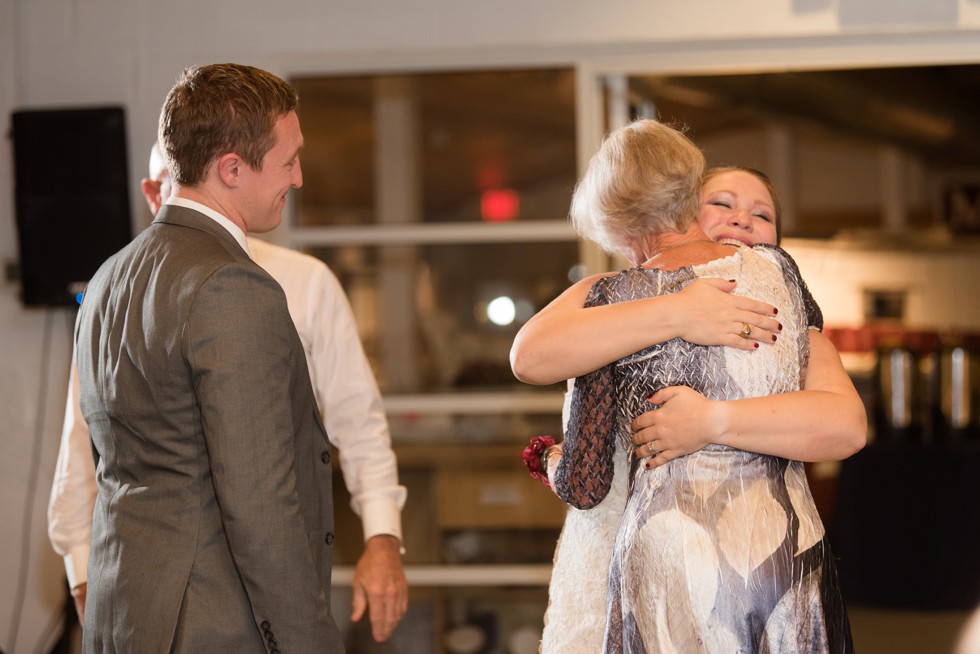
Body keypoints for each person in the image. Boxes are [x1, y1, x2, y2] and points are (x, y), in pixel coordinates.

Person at [48, 142, 408, 643]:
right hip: (203, 603)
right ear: (153, 191)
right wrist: (80, 566)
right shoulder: (127, 283)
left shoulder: (305, 281)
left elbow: (356, 416)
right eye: (162, 188)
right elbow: (85, 440)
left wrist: (382, 533)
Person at [523, 120, 855, 652]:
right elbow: (532, 354)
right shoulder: (613, 298)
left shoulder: (786, 304)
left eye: (762, 213)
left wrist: (710, 422)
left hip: (675, 553)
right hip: (775, 554)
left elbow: (844, 426)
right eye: (722, 204)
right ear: (681, 207)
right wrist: (679, 309)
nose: (742, 220)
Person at [71, 63, 345, 652]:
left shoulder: (106, 279)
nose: (297, 179)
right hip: (211, 623)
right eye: (287, 161)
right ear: (231, 169)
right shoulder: (231, 286)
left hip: (122, 616)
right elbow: (260, 505)